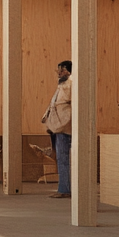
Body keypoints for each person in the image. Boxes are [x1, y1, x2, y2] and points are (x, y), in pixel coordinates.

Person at [41, 60, 74, 198]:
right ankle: (64, 187)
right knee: (61, 158)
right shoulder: (62, 85)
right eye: (58, 70)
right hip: (59, 127)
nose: (60, 73)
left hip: (67, 127)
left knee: (64, 159)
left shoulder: (71, 84)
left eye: (62, 70)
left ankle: (65, 189)